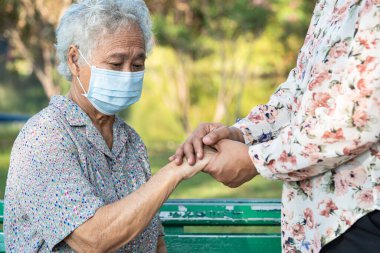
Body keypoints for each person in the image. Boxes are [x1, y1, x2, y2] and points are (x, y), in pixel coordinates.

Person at [4, 0, 215, 252]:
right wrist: (175, 171)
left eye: (137, 65)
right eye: (116, 64)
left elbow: (153, 239)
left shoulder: (130, 140)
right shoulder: (44, 137)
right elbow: (94, 239)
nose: (128, 75)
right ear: (74, 60)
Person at [171, 0, 380, 252]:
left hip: (363, 219)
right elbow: (302, 89)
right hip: (318, 229)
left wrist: (256, 160)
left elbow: (359, 117)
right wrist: (242, 133)